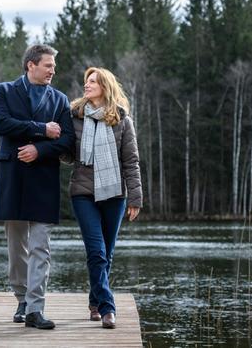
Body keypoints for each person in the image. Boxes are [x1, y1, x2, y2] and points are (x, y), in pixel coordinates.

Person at [0, 44, 74, 330]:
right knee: (17, 246)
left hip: (44, 179)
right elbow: (2, 124)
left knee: (41, 247)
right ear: (31, 65)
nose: (53, 70)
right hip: (13, 177)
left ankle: (35, 309)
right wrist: (41, 130)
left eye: (53, 66)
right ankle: (22, 299)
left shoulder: (61, 99)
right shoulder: (4, 91)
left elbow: (66, 142)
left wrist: (39, 151)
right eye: (48, 65)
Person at [67, 67, 142, 329]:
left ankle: (94, 301)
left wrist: (135, 198)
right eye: (86, 81)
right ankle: (108, 307)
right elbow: (66, 152)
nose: (86, 85)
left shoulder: (122, 120)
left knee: (106, 254)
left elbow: (131, 162)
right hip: (83, 193)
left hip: (114, 194)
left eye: (92, 82)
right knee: (97, 252)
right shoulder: (74, 116)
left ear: (105, 87)